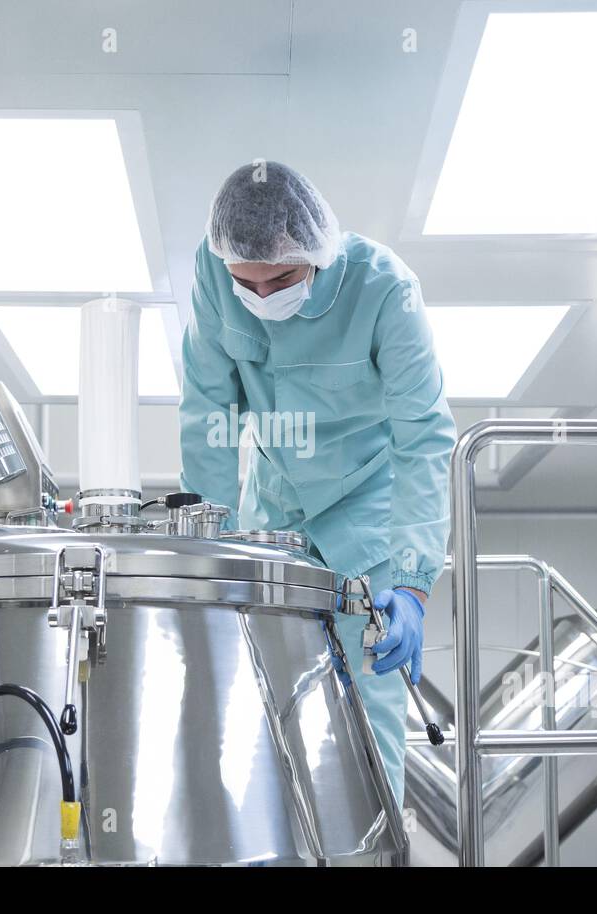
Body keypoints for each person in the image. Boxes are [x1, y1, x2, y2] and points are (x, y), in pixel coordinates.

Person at [178, 160, 456, 803]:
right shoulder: (212, 272)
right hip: (271, 514)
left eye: (283, 278)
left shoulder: (386, 289)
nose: (264, 296)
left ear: (319, 255)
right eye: (247, 284)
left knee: (369, 718)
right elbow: (207, 417)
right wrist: (209, 555)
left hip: (369, 518)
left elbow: (423, 437)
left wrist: (413, 585)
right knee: (259, 703)